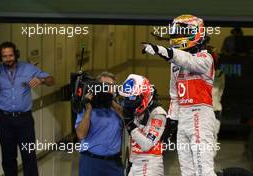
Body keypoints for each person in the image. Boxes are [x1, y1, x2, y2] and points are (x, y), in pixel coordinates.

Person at [142, 15, 220, 176]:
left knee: (203, 170)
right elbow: (175, 96)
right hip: (184, 117)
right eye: (176, 32)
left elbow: (189, 61)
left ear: (195, 33)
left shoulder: (206, 58)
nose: (177, 36)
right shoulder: (176, 64)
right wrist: (171, 120)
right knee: (186, 171)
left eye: (180, 32)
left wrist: (161, 50)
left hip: (201, 116)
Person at [0, 41, 54, 176]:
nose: (8, 59)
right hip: (4, 120)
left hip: (24, 121)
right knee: (8, 158)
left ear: (16, 55)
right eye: (5, 56)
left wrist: (41, 80)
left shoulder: (28, 68)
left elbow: (51, 80)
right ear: (0, 57)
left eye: (11, 55)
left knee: (28, 156)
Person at [75, 71, 124, 176]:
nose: (107, 89)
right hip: (91, 161)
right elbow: (81, 134)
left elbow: (129, 120)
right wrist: (88, 109)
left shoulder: (118, 107)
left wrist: (111, 102)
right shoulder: (87, 107)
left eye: (110, 86)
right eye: (104, 86)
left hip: (114, 163)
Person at [119, 74, 167, 176]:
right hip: (135, 162)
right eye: (127, 98)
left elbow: (147, 145)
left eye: (131, 98)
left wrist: (130, 125)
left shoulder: (158, 113)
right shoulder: (134, 112)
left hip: (150, 164)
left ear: (143, 95)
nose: (128, 102)